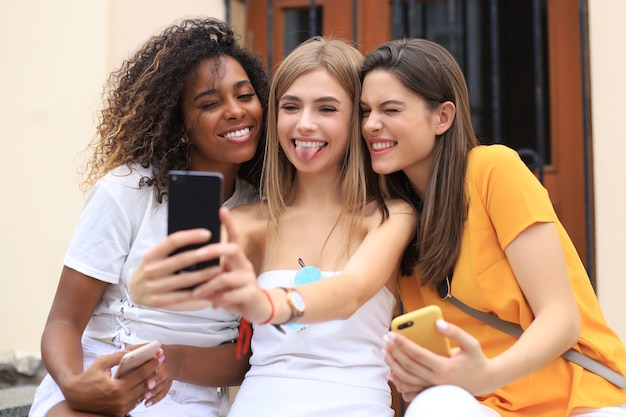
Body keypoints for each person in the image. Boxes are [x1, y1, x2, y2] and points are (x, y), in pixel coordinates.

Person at [129, 37, 416, 417]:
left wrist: (265, 304)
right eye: (290, 107)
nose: (305, 123)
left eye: (327, 108)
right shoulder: (247, 222)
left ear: (357, 118)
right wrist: (145, 286)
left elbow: (350, 293)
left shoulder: (390, 216)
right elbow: (189, 288)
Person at [359, 37, 626, 417]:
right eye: (365, 110)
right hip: (484, 407)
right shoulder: (396, 217)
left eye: (390, 109)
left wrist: (487, 375)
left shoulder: (492, 170)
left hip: (576, 402)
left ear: (443, 117)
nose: (371, 124)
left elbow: (561, 318)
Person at [29, 17, 269, 417]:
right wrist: (76, 385)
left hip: (192, 398)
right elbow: (64, 321)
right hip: (101, 373)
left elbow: (245, 356)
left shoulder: (263, 212)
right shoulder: (127, 191)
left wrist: (170, 360)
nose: (234, 112)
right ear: (179, 125)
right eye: (209, 103)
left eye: (244, 96)